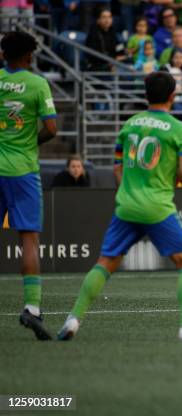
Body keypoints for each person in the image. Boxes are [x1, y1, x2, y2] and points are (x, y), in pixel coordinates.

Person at [57, 72, 182, 342]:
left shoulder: (129, 124)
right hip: (156, 206)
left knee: (105, 263)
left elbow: (117, 168)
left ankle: (73, 318)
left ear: (146, 95)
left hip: (126, 205)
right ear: (172, 96)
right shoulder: (178, 128)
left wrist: (129, 189)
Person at [0, 32, 57, 341]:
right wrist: (27, 144)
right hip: (22, 170)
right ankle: (32, 308)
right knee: (29, 239)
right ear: (29, 56)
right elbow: (51, 128)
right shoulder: (37, 84)